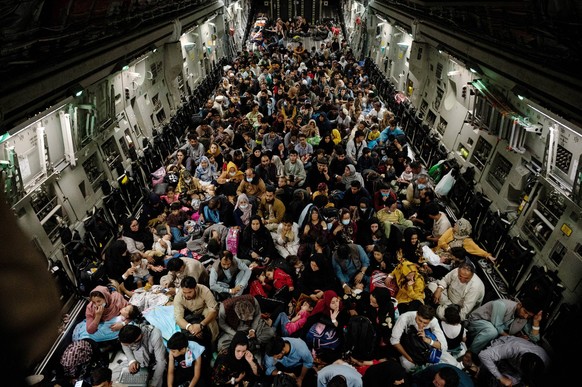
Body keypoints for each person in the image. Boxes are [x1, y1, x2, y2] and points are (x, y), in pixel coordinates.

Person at [466, 297, 543, 354]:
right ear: (519, 305)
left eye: (529, 316)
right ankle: (470, 354)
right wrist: (514, 338)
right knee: (492, 331)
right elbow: (498, 327)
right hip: (475, 323)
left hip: (487, 336)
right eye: (525, 312)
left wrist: (536, 322)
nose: (525, 316)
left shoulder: (524, 318)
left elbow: (534, 339)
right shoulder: (502, 305)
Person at [390, 304, 455, 371]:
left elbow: (444, 346)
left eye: (425, 323)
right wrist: (409, 358)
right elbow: (394, 341)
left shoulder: (434, 321)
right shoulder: (404, 318)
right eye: (419, 320)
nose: (421, 324)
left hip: (422, 348)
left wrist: (427, 340)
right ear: (417, 314)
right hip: (405, 346)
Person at [477, 336, 550, 387]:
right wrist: (501, 378)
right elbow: (483, 355)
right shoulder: (514, 348)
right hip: (501, 350)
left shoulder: (545, 361)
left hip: (516, 369)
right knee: (486, 372)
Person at [174, 276, 220, 351]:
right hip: (189, 314)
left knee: (211, 319)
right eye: (184, 292)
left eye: (189, 292)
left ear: (195, 288)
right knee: (181, 326)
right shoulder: (179, 297)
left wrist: (201, 325)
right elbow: (178, 318)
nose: (186, 295)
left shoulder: (204, 290)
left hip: (203, 309)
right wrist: (192, 328)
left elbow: (213, 311)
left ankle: (214, 342)